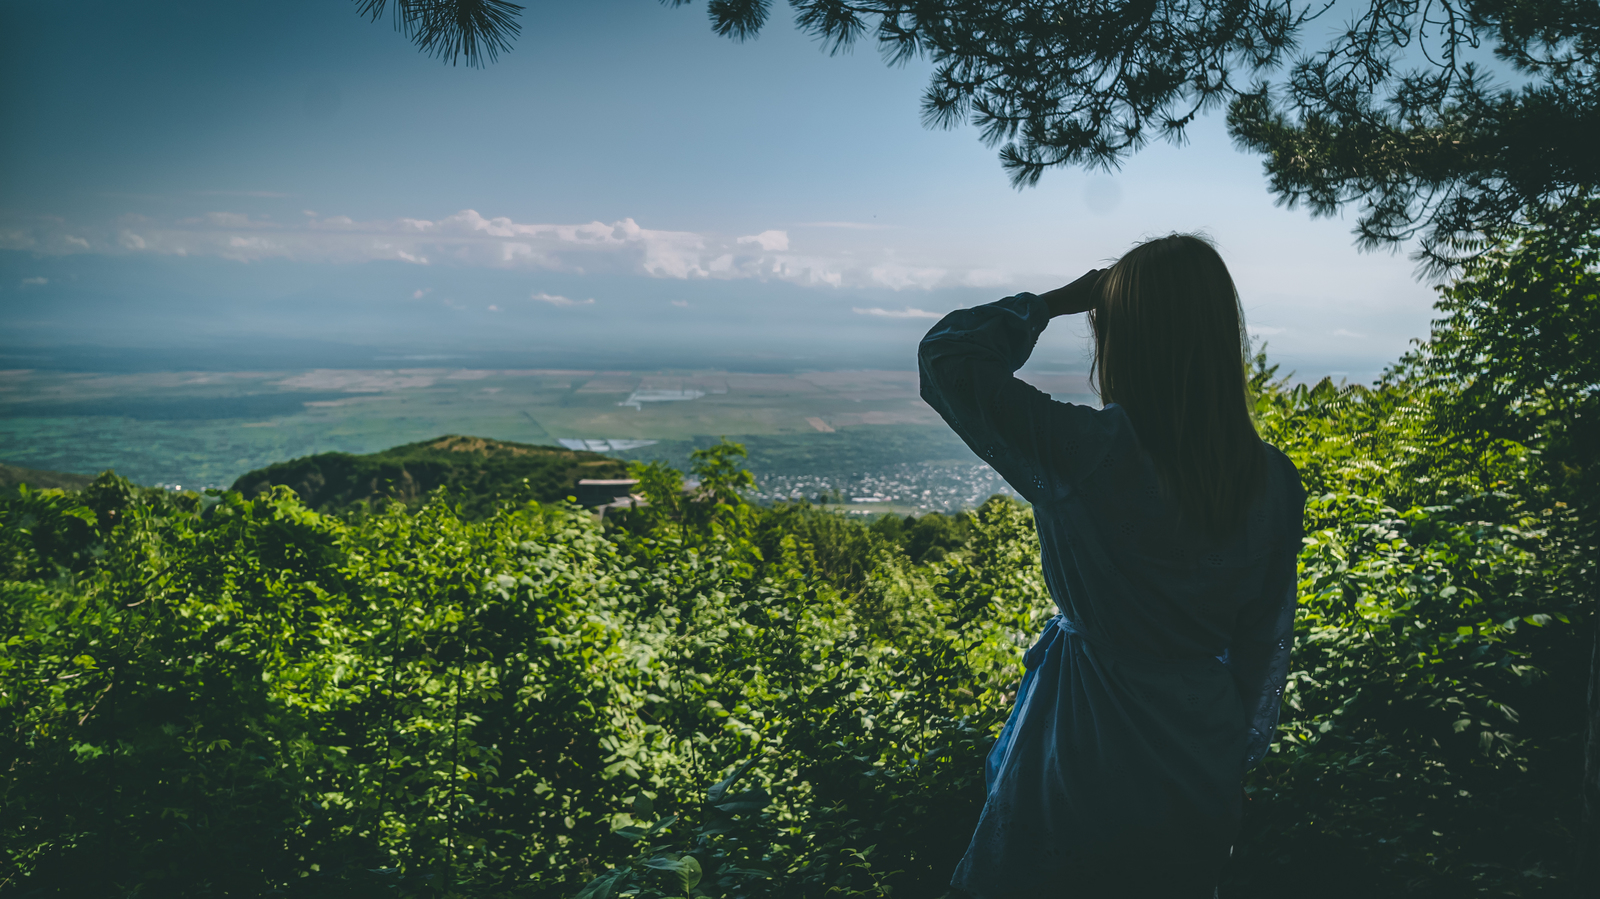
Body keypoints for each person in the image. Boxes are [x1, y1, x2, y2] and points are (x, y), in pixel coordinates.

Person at [918, 234, 1305, 898]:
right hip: (1200, 744)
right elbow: (1260, 645)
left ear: (1123, 339)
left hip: (1086, 739)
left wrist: (1058, 301)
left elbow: (946, 358)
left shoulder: (1087, 454)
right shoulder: (1273, 482)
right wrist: (1228, 758)